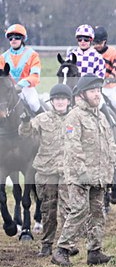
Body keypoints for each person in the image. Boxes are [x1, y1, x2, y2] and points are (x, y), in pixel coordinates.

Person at [51, 74, 116, 267]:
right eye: (93, 91)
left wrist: (110, 170)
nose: (97, 94)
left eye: (98, 90)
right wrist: (81, 172)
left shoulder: (101, 116)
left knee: (97, 213)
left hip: (99, 176)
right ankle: (62, 250)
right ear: (82, 94)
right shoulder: (75, 116)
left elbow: (110, 145)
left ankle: (94, 252)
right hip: (79, 176)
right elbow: (73, 146)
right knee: (79, 210)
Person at [19, 83, 73, 257]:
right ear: (52, 101)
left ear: (68, 101)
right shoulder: (42, 118)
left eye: (63, 99)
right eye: (56, 99)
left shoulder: (76, 118)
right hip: (47, 171)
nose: (60, 102)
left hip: (68, 171)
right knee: (48, 210)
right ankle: (47, 244)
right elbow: (25, 133)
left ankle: (67, 244)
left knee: (68, 209)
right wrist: (25, 122)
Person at [0, 24, 43, 115]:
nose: (13, 39)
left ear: (22, 39)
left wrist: (21, 84)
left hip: (26, 88)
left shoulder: (32, 55)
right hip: (7, 88)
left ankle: (44, 120)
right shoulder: (2, 57)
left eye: (17, 37)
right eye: (10, 38)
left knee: (33, 103)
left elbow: (35, 75)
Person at [92, 26, 116, 112]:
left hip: (107, 86)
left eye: (99, 43)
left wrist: (111, 78)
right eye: (94, 43)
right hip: (92, 86)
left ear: (104, 41)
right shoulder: (90, 53)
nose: (96, 46)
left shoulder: (113, 53)